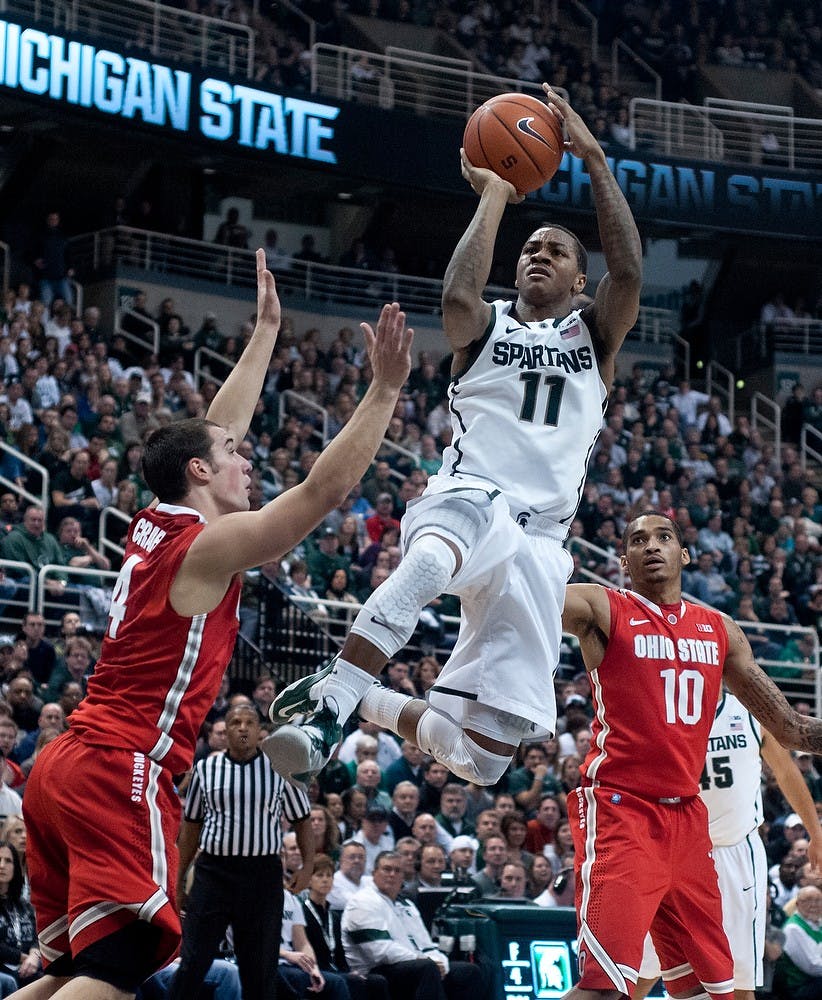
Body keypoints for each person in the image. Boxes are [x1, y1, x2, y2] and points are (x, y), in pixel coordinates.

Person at [19, 251, 413, 1000]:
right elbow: (322, 489)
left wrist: (264, 331)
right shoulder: (204, 547)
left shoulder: (157, 520)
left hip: (66, 763)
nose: (245, 457)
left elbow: (213, 426)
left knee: (81, 971)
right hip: (118, 766)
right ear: (199, 473)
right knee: (123, 962)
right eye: (233, 456)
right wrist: (384, 389)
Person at [267, 83, 643, 791]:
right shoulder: (489, 330)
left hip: (539, 544)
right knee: (437, 557)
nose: (537, 256)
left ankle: (364, 696)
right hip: (474, 498)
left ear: (579, 280)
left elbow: (629, 271)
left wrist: (593, 159)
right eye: (530, 248)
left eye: (555, 251)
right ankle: (331, 705)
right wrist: (496, 194)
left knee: (484, 761)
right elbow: (456, 301)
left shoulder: (593, 334)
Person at [557, 512, 822, 1000]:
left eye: (663, 537)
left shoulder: (721, 631)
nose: (651, 546)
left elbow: (792, 730)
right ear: (623, 561)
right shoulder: (604, 607)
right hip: (624, 810)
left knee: (714, 992)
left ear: (684, 555)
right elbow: (539, 600)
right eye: (638, 540)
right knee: (607, 989)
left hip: (690, 824)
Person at [635, 688, 822, 1000]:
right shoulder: (665, 708)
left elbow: (787, 773)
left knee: (738, 983)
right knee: (639, 971)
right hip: (676, 851)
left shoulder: (751, 711)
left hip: (734, 852)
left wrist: (815, 833)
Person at [167, 703, 312, 1000]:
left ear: (260, 731)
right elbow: (191, 827)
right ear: (224, 731)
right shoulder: (206, 768)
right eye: (235, 723)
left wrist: (307, 866)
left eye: (249, 722)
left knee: (259, 969)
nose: (243, 728)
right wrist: (179, 879)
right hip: (213, 873)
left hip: (262, 876)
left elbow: (302, 820)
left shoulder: (280, 766)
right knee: (193, 961)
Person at [341, 851, 485, 1000]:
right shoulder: (362, 902)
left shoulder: (407, 905)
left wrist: (440, 963)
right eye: (387, 869)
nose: (392, 874)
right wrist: (424, 960)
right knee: (427, 969)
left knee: (468, 971)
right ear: (374, 873)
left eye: (397, 871)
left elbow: (427, 945)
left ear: (403, 876)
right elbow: (380, 952)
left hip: (412, 964)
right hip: (374, 971)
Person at [777, 884, 822, 998]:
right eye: (808, 900)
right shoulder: (793, 929)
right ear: (797, 904)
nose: (814, 905)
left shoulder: (818, 922)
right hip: (801, 987)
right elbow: (813, 967)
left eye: (818, 900)